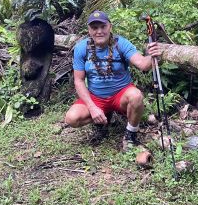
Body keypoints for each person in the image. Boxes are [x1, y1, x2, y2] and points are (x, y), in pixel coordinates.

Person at [64, 10, 161, 150]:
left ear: (110, 26)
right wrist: (92, 107)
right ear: (89, 30)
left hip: (120, 95)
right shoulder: (81, 48)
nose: (99, 31)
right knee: (71, 118)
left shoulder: (121, 43)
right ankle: (103, 118)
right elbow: (79, 81)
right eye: (94, 27)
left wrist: (153, 56)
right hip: (96, 97)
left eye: (103, 26)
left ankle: (130, 134)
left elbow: (142, 64)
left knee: (136, 96)